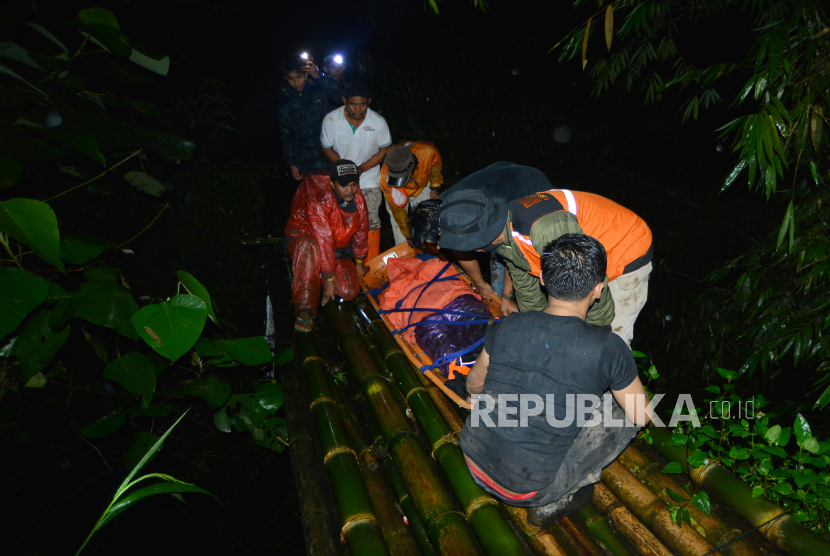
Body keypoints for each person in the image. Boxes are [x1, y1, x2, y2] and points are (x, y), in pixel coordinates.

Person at [459, 234, 652, 526]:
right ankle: (559, 497)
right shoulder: (609, 348)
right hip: (528, 489)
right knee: (623, 412)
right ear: (598, 289)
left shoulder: (508, 324)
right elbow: (642, 415)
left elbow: (474, 384)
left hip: (472, 459)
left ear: (544, 281)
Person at [418, 166, 653, 345]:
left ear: (475, 241)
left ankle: (613, 400)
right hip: (584, 253)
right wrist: (527, 316)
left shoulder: (541, 231)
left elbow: (589, 281)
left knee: (607, 343)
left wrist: (597, 335)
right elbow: (525, 278)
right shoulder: (501, 233)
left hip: (625, 251)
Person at [410, 162, 555, 301]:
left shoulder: (470, 217)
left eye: (437, 238)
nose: (438, 245)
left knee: (523, 256)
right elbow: (459, 248)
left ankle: (506, 296)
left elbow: (514, 248)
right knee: (495, 245)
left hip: (532, 188)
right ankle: (498, 289)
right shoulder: (439, 207)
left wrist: (505, 295)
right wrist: (480, 283)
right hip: (504, 174)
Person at [284, 160, 369, 331]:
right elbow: (324, 238)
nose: (350, 190)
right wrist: (329, 278)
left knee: (348, 291)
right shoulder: (319, 197)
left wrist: (359, 261)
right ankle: (305, 308)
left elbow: (362, 230)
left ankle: (319, 274)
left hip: (337, 247)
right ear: (332, 183)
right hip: (307, 240)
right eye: (344, 185)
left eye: (353, 184)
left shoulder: (357, 197)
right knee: (309, 245)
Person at [321, 82, 392, 261]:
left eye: (363, 104)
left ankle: (370, 264)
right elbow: (326, 148)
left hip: (368, 175)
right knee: (338, 219)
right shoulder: (331, 119)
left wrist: (359, 169)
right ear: (344, 100)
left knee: (371, 219)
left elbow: (384, 150)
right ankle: (340, 262)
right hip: (341, 177)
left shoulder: (378, 122)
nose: (358, 109)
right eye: (353, 104)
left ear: (369, 102)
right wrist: (345, 169)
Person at [278, 54, 343, 182]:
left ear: (306, 74)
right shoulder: (285, 104)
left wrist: (318, 75)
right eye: (291, 79)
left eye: (299, 77)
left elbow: (340, 96)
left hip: (334, 157)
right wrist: (292, 163)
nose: (296, 82)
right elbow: (287, 137)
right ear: (285, 78)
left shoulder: (320, 89)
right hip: (308, 165)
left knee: (341, 199)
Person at [380, 142, 444, 246]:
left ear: (413, 166)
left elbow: (436, 164)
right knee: (398, 225)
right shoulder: (385, 180)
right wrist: (408, 235)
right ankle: (404, 252)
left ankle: (428, 247)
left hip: (421, 182)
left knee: (426, 217)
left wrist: (435, 187)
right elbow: (399, 213)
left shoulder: (428, 152)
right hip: (397, 191)